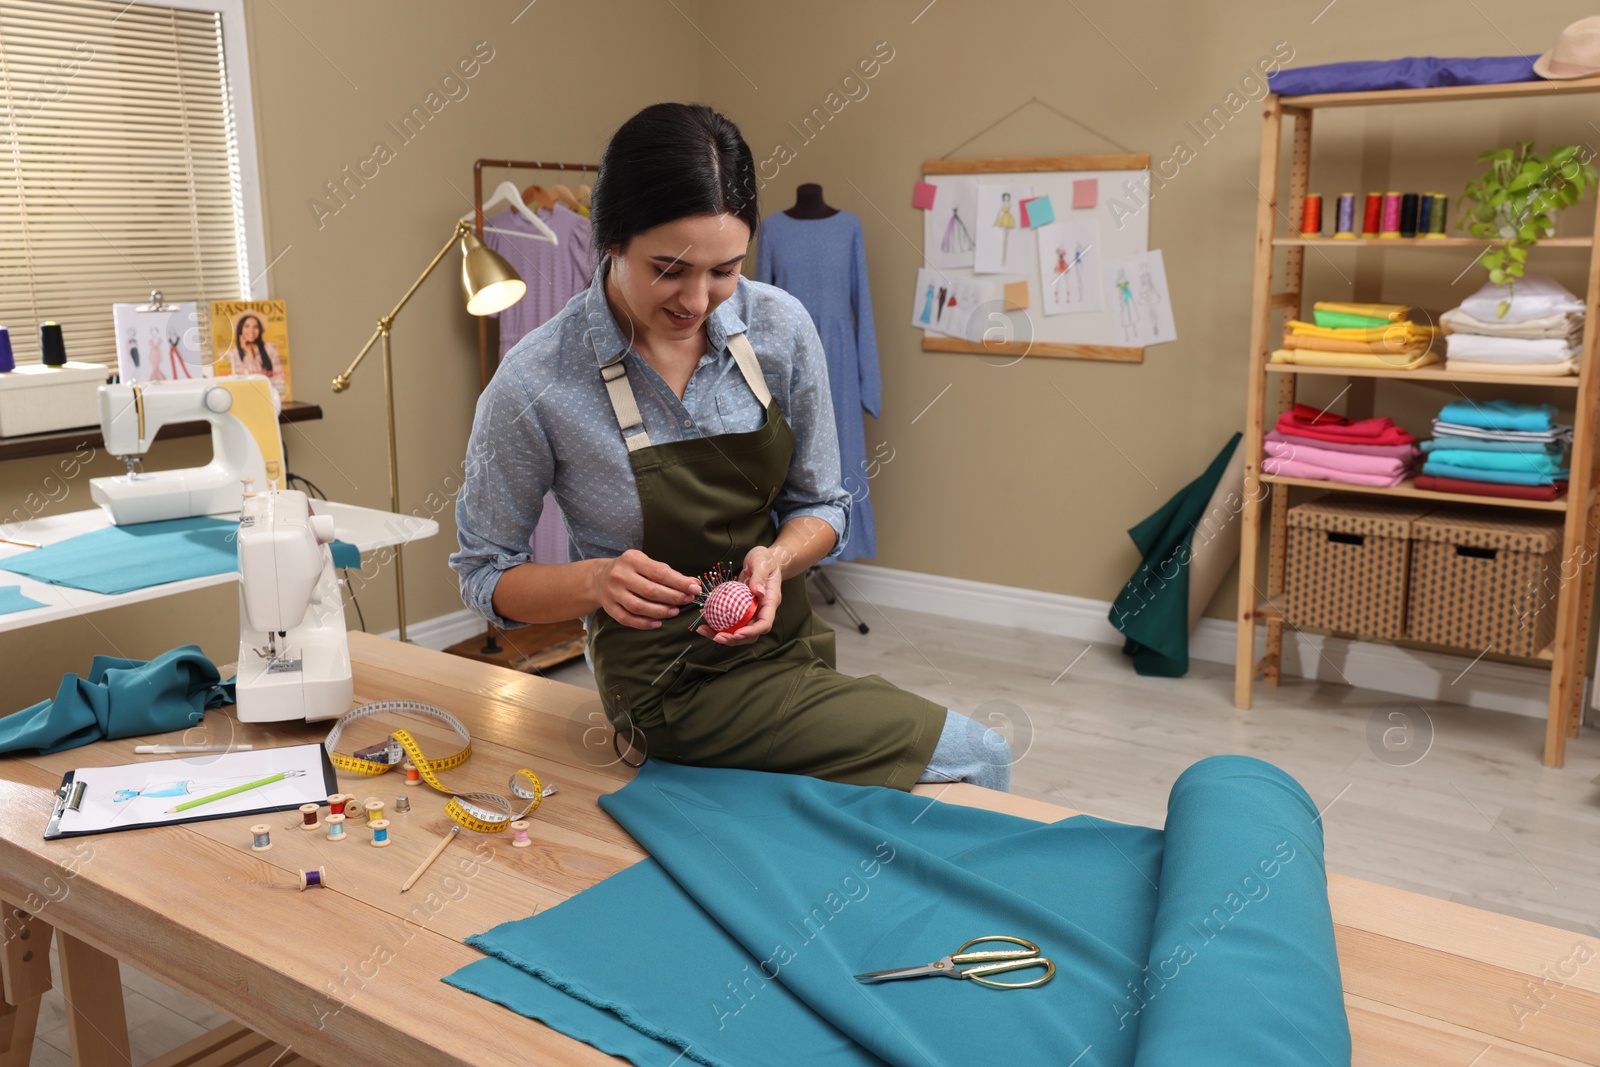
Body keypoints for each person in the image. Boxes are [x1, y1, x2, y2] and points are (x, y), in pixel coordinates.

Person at [451, 103, 1012, 792]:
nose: (698, 299)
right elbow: (486, 574)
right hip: (665, 686)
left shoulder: (780, 330)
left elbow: (824, 505)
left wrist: (779, 557)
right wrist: (595, 582)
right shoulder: (536, 381)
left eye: (724, 269)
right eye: (669, 269)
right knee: (982, 754)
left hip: (787, 645)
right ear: (609, 241)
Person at [226, 313, 279, 379]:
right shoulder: (233, 354)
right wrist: (249, 352)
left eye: (255, 327)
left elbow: (279, 377)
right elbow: (249, 378)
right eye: (247, 326)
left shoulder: (270, 348)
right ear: (240, 329)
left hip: (268, 388)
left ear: (260, 330)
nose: (251, 330)